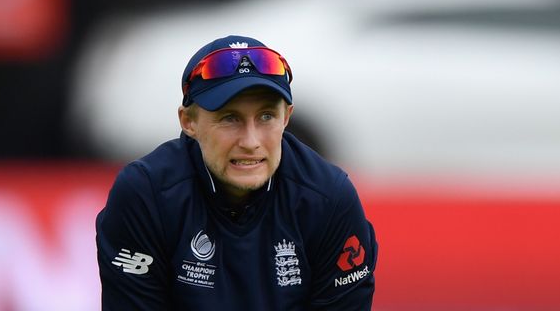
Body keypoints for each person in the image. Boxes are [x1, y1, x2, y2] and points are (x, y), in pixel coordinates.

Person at [95, 35, 377, 310]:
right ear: (189, 122)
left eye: (266, 117)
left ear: (286, 117)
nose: (251, 142)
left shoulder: (328, 197)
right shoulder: (146, 195)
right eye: (230, 118)